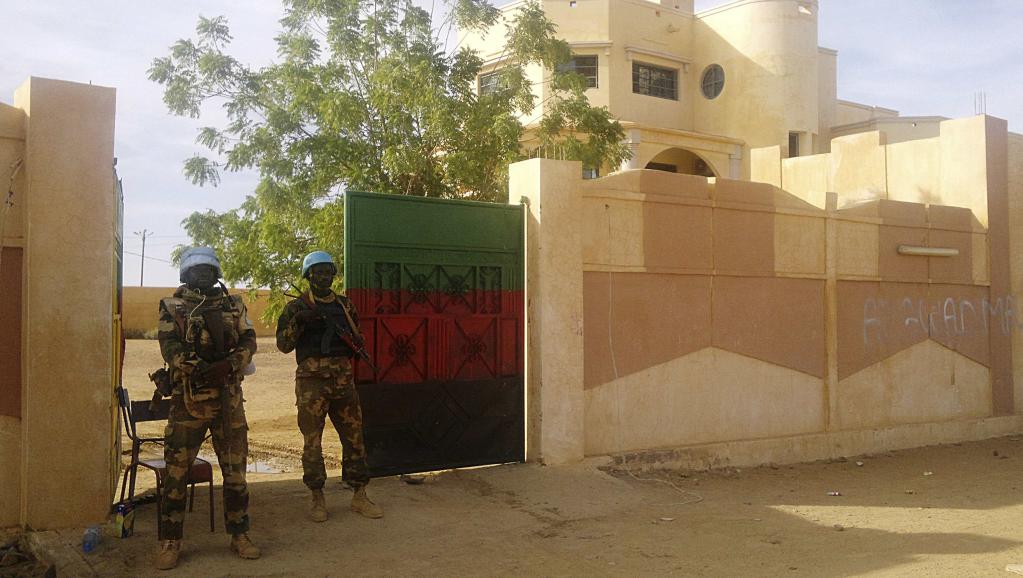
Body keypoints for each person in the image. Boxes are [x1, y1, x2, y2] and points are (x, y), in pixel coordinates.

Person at [154, 247, 260, 570]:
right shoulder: (171, 307)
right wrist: (199, 368)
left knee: (236, 472)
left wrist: (230, 364)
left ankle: (239, 534)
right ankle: (170, 540)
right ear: (185, 275)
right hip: (189, 402)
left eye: (208, 269)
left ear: (217, 273)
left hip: (229, 399)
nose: (202, 275)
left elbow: (249, 339)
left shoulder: (234, 305)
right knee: (176, 474)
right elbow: (170, 346)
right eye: (196, 270)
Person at [276, 250, 383, 523]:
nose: (324, 277)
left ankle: (360, 495)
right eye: (318, 272)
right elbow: (284, 345)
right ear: (308, 275)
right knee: (312, 443)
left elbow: (357, 337)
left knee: (355, 438)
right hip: (311, 385)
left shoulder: (344, 306)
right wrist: (299, 322)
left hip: (343, 381)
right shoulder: (296, 308)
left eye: (328, 272)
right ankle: (317, 498)